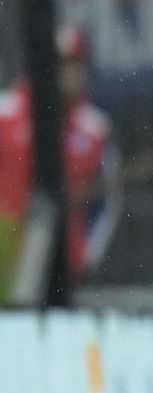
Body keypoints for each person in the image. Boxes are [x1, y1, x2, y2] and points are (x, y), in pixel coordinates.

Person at [0, 25, 121, 304]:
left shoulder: (94, 129)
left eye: (74, 63)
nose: (68, 73)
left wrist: (86, 254)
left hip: (64, 260)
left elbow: (104, 200)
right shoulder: (4, 115)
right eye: (60, 63)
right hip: (7, 254)